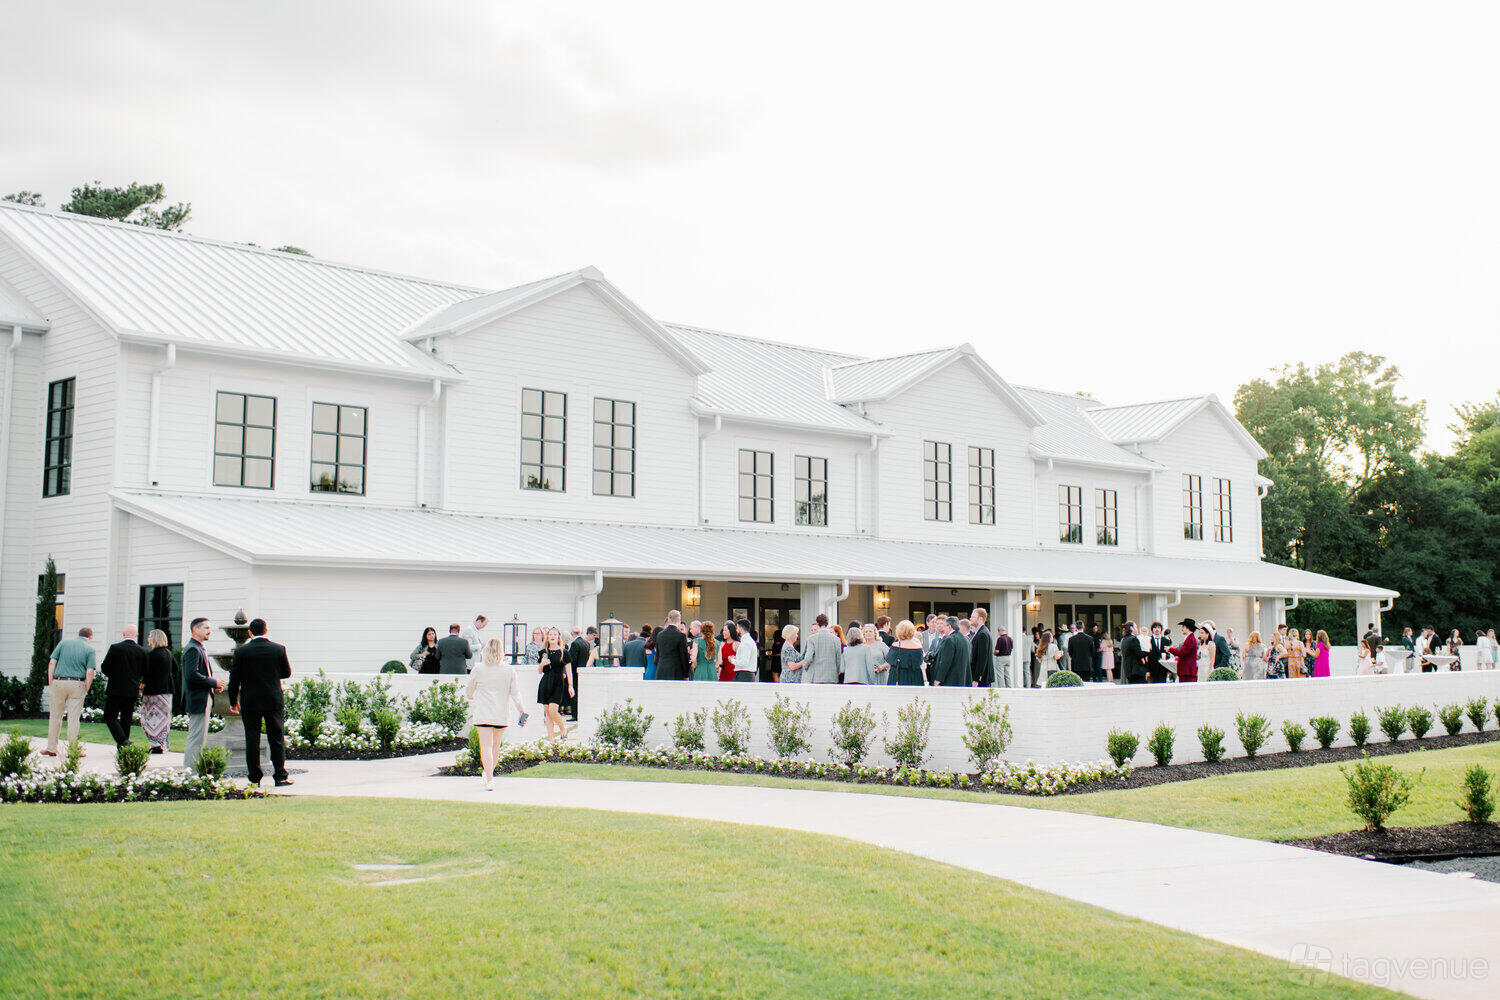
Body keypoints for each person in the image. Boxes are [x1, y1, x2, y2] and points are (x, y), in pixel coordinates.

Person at [226, 617, 293, 787]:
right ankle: (280, 775)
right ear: (266, 630)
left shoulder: (241, 652)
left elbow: (234, 679)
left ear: (250, 632)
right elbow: (286, 673)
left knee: (252, 739)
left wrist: (233, 701)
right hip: (273, 699)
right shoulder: (278, 649)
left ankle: (255, 777)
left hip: (251, 701)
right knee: (276, 738)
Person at [467, 638, 527, 790]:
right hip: (501, 713)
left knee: (486, 746)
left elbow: (469, 691)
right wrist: (521, 709)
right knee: (495, 746)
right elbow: (515, 693)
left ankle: (489, 777)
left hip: (484, 712)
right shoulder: (509, 670)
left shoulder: (478, 668)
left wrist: (472, 694)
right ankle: (489, 774)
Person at [43, 626, 97, 757]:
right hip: (77, 683)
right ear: (90, 637)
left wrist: (51, 682)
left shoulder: (63, 643)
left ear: (78, 634)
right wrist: (87, 687)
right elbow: (90, 672)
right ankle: (72, 750)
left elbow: (52, 663)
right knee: (73, 718)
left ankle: (51, 748)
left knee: (55, 716)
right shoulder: (90, 649)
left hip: (58, 681)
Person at [181, 617, 223, 769]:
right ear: (195, 629)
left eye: (209, 628)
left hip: (202, 697)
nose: (209, 631)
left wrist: (214, 685)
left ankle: (194, 769)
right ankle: (190, 771)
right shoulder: (193, 648)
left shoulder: (198, 648)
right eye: (206, 628)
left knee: (200, 738)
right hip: (198, 699)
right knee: (196, 738)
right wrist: (213, 682)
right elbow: (191, 675)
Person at [100, 625, 147, 747]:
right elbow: (145, 671)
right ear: (136, 635)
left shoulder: (115, 648)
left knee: (109, 716)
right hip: (132, 689)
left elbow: (105, 667)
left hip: (116, 688)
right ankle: (123, 745)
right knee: (126, 718)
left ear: (123, 634)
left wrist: (114, 676)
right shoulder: (142, 651)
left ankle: (122, 741)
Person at [140, 630, 175, 753]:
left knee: (150, 717)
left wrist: (141, 685)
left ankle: (155, 744)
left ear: (154, 638)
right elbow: (175, 668)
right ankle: (162, 744)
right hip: (167, 691)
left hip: (153, 692)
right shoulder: (168, 653)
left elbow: (147, 673)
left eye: (149, 636)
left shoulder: (153, 654)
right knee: (164, 718)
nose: (148, 638)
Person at [536, 627, 573, 742]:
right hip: (546, 681)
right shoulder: (543, 652)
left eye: (555, 634)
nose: (552, 636)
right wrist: (542, 664)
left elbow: (568, 670)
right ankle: (551, 740)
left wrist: (570, 685)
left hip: (558, 682)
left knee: (553, 709)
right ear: (547, 637)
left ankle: (563, 728)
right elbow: (540, 671)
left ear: (558, 637)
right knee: (547, 712)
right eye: (550, 634)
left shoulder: (564, 652)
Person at [800, 614, 843, 684]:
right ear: (827, 623)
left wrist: (805, 666)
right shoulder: (836, 639)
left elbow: (808, 657)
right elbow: (838, 659)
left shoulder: (812, 639)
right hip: (831, 676)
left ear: (817, 623)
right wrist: (837, 671)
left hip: (816, 676)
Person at [931, 616, 972, 687]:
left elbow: (946, 661)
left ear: (949, 627)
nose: (944, 629)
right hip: (964, 679)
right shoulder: (966, 639)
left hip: (951, 680)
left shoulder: (949, 640)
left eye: (944, 627)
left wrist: (938, 679)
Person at [884, 620, 927, 686]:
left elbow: (888, 661)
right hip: (915, 677)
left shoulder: (896, 645)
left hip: (899, 678)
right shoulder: (918, 645)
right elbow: (921, 661)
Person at [565, 626, 594, 720]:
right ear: (581, 633)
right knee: (581, 693)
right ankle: (581, 712)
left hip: (574, 672)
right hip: (583, 671)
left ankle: (574, 714)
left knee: (574, 693)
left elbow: (572, 660)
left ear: (572, 634)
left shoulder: (574, 644)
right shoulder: (586, 643)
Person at [653, 611, 691, 680]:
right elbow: (684, 656)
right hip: (676, 672)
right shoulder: (681, 636)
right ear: (679, 620)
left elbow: (657, 655)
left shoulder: (660, 635)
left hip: (661, 671)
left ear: (668, 619)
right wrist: (686, 674)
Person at [969, 608, 995, 688]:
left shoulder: (982, 634)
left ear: (980, 619)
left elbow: (982, 658)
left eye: (973, 617)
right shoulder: (979, 632)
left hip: (982, 678)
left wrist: (977, 678)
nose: (970, 619)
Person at [1169, 618, 1199, 683]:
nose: (1182, 629)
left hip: (1187, 671)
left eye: (1183, 627)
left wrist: (1170, 649)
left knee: (1185, 690)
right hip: (1186, 670)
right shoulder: (1190, 638)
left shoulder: (1190, 639)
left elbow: (1182, 653)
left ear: (1188, 627)